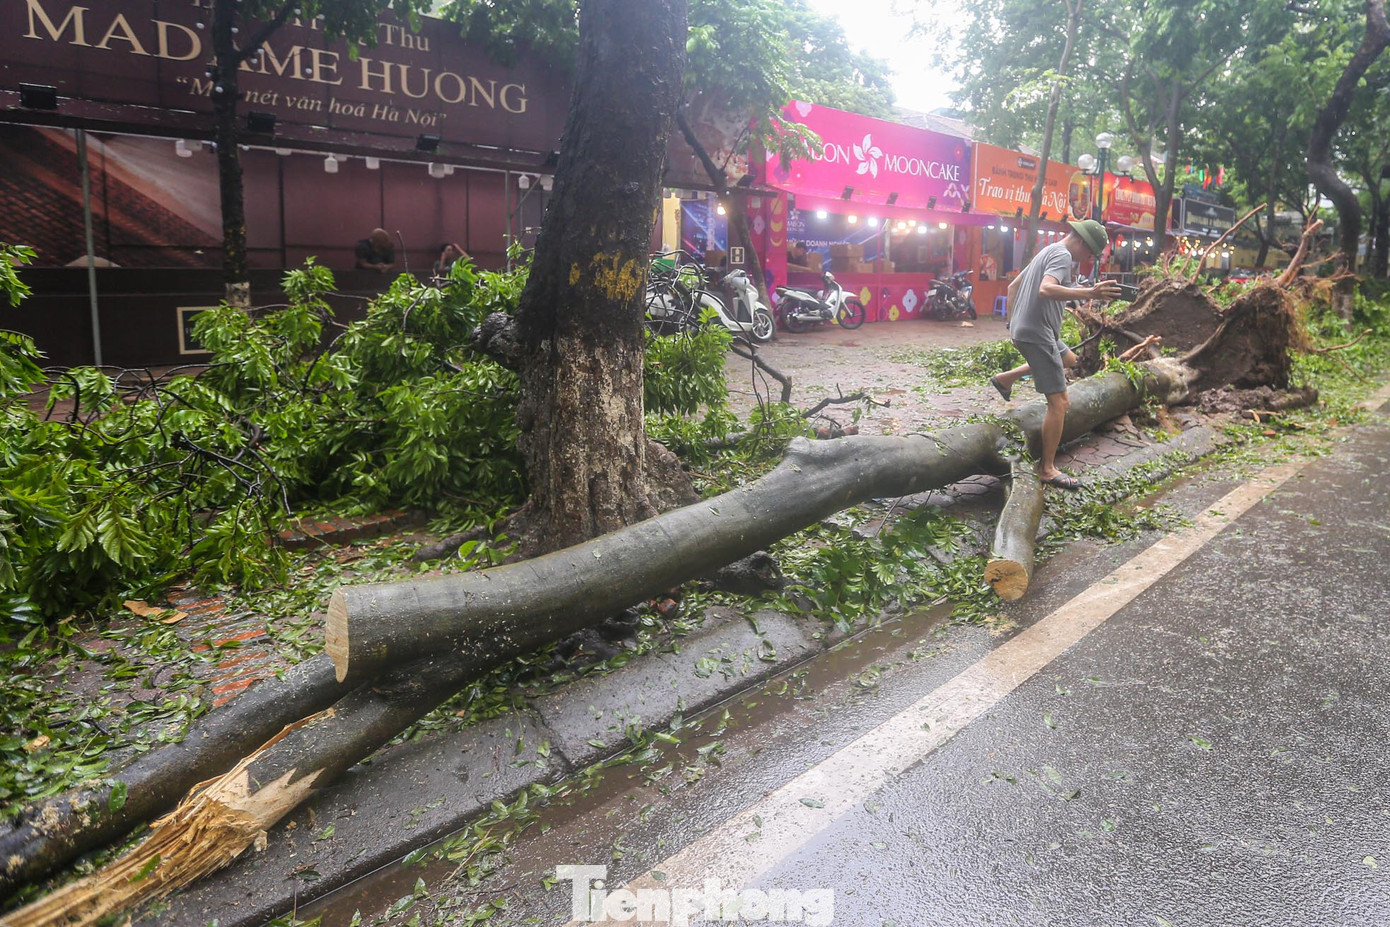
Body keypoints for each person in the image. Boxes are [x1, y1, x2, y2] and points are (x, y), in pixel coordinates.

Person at [986, 219, 1120, 490]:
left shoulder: (1047, 250)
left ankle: (1005, 379)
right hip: (1038, 333)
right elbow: (1046, 289)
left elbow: (1013, 287)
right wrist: (1090, 292)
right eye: (1090, 254)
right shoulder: (1062, 255)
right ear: (1082, 242)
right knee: (1060, 403)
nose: (1086, 260)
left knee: (1071, 360)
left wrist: (1012, 325)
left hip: (1033, 330)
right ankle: (1047, 469)